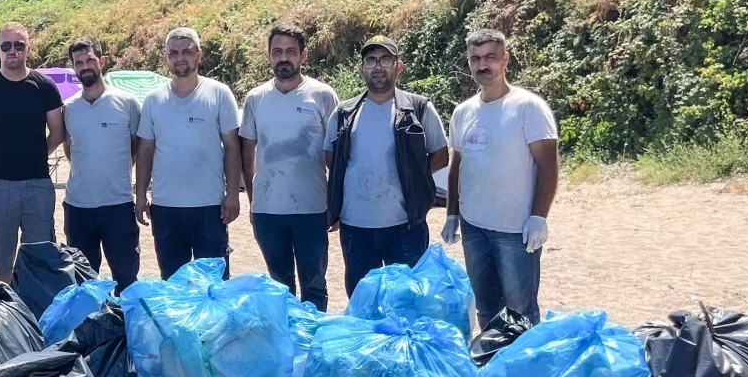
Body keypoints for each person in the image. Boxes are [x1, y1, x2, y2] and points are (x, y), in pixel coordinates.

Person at [442, 28, 559, 329]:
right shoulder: (463, 112)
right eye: (475, 59)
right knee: (486, 307)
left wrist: (538, 217)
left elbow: (548, 166)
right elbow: (458, 165)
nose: (483, 65)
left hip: (515, 230)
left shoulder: (528, 107)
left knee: (521, 311)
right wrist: (453, 214)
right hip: (474, 227)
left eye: (490, 57)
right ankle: (492, 367)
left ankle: (521, 371)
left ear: (505, 59)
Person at [323, 35, 448, 296]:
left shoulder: (418, 108)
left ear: (398, 66)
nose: (378, 67)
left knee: (407, 299)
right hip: (355, 226)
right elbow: (330, 157)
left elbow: (440, 154)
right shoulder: (344, 112)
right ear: (361, 69)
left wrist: (414, 178)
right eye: (371, 60)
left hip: (405, 225)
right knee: (362, 299)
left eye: (385, 60)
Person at [239, 25, 339, 310]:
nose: (284, 58)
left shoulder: (322, 95)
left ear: (303, 55)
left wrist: (335, 201)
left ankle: (311, 341)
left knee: (314, 284)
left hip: (312, 208)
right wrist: (253, 199)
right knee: (279, 286)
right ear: (269, 56)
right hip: (268, 211)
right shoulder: (255, 99)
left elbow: (336, 153)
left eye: (291, 52)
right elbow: (248, 153)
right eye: (277, 52)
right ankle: (287, 344)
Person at [134, 27, 242, 278]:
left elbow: (233, 146)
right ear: (166, 57)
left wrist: (232, 194)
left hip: (210, 207)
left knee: (213, 285)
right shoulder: (153, 100)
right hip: (165, 207)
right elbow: (146, 149)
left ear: (199, 55)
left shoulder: (219, 93)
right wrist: (140, 195)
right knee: (173, 283)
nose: (180, 57)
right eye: (173, 52)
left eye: (187, 51)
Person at [0, 22, 64, 283]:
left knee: (40, 256)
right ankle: (7, 315)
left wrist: (35, 154)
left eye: (19, 45)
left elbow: (57, 132)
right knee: (2, 258)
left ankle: (35, 314)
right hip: (0, 185)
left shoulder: (44, 86)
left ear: (28, 49)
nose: (13, 51)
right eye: (6, 46)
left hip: (39, 183)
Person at [60, 37, 141, 291]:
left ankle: (125, 330)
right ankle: (89, 331)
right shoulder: (68, 109)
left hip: (118, 206)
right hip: (78, 208)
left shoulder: (127, 104)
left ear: (102, 62)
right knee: (83, 283)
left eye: (90, 60)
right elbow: (70, 148)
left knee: (126, 279)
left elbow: (136, 147)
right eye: (79, 62)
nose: (85, 66)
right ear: (73, 68)